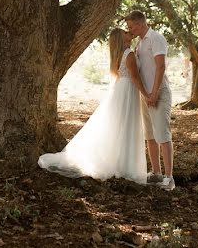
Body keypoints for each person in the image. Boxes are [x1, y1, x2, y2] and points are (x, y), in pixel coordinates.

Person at [38, 28, 148, 183]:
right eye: (125, 32)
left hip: (122, 90)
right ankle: (125, 164)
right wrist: (147, 95)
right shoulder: (128, 54)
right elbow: (136, 78)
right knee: (127, 125)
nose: (128, 32)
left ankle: (121, 162)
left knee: (121, 125)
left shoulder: (120, 54)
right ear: (121, 38)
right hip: (128, 90)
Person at [125, 10, 174, 191]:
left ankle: (169, 178)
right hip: (146, 95)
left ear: (139, 23)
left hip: (159, 93)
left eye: (131, 26)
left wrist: (154, 93)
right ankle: (156, 173)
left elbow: (160, 66)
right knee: (150, 136)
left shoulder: (156, 38)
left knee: (163, 135)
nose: (129, 29)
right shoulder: (139, 43)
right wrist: (146, 95)